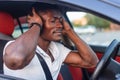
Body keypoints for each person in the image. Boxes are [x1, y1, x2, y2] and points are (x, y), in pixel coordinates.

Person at [3, 4, 99, 80]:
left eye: (60, 21)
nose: (59, 25)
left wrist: (69, 31)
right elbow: (16, 60)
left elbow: (91, 62)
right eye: (53, 21)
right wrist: (36, 25)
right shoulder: (14, 47)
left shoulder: (56, 49)